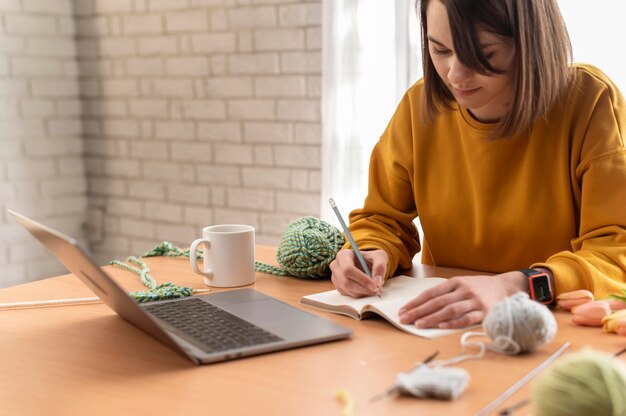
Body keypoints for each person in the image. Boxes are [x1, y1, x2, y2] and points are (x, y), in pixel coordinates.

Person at [329, 0, 626, 330]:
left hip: (553, 332)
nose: (454, 74)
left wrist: (514, 287)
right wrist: (370, 251)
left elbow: (615, 255)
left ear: (530, 42)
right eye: (440, 51)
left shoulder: (591, 103)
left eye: (482, 53)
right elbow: (382, 219)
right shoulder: (418, 107)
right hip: (442, 327)